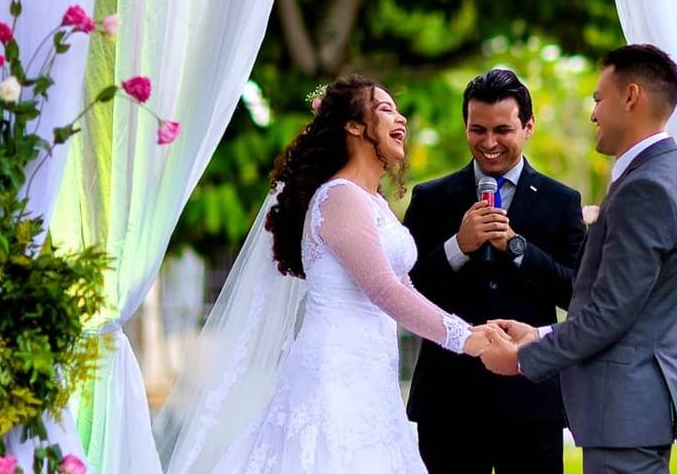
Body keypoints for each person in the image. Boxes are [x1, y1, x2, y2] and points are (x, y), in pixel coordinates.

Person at [156, 76, 504, 474]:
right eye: (387, 109)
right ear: (354, 126)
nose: (402, 119)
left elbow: (403, 283)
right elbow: (384, 290)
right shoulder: (339, 196)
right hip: (333, 378)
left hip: (372, 377)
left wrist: (476, 331)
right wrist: (464, 338)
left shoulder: (372, 202)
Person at [480, 45, 677, 474]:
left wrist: (519, 360)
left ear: (631, 96)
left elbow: (609, 314)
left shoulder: (648, 188)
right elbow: (625, 306)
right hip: (634, 412)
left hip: (625, 411)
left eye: (598, 99)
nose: (593, 114)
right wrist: (539, 333)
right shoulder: (675, 174)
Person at [404, 69, 586, 474]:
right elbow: (406, 290)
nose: (488, 143)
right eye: (477, 129)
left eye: (502, 130)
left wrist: (518, 248)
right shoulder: (431, 198)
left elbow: (577, 293)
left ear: (528, 126)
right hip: (447, 398)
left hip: (530, 396)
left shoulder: (562, 201)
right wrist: (458, 246)